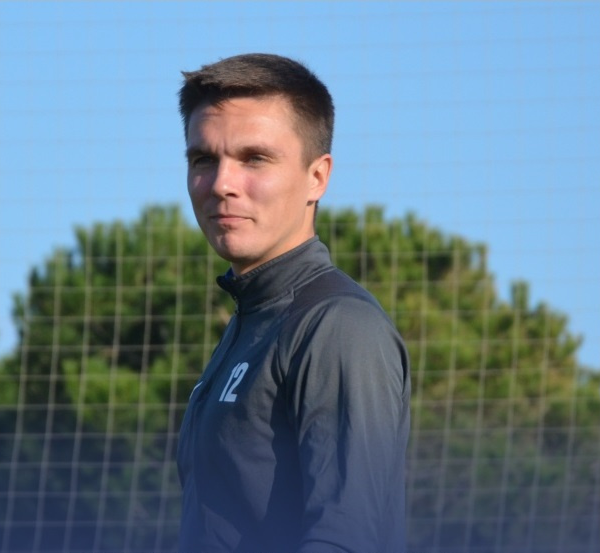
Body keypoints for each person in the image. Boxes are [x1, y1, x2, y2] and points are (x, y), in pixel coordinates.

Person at [175, 53, 411, 553]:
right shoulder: (254, 319)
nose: (222, 184)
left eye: (255, 159)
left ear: (317, 177)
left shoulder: (338, 326)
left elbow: (345, 539)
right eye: (203, 160)